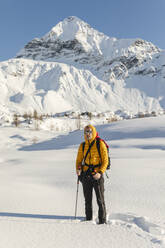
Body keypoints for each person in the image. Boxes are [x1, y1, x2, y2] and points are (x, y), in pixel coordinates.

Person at [76, 124, 108, 224]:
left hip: (97, 175)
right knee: (87, 199)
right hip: (86, 175)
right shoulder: (82, 145)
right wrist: (78, 169)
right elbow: (78, 160)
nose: (88, 134)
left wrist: (100, 172)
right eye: (86, 132)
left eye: (90, 131)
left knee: (100, 199)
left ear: (93, 132)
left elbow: (105, 161)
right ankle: (88, 219)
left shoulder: (100, 143)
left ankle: (102, 221)